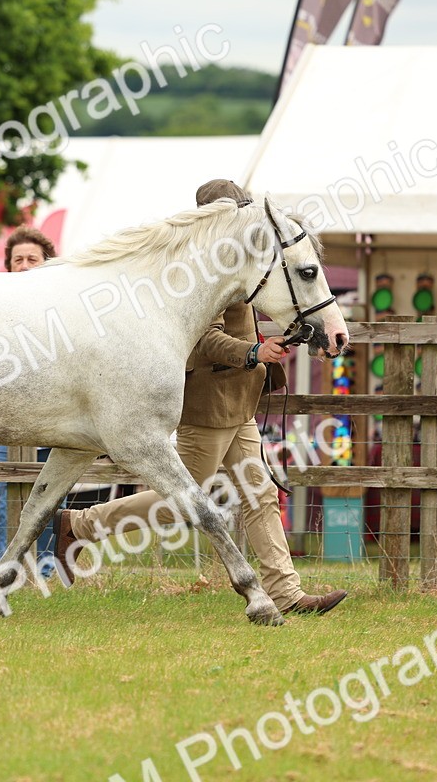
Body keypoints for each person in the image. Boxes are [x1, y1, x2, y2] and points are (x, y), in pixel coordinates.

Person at [53, 180, 348, 615]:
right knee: (179, 501)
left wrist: (276, 341)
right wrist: (252, 352)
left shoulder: (237, 262)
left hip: (240, 401)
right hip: (208, 405)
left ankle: (287, 594)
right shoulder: (202, 270)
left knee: (261, 494)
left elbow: (245, 326)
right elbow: (205, 337)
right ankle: (79, 524)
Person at [0, 227, 58, 572]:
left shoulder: (62, 312)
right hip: (5, 419)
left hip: (52, 421)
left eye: (32, 258)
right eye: (18, 260)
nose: (25, 265)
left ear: (47, 264)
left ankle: (45, 568)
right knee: (2, 497)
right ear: (8, 266)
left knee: (49, 496)